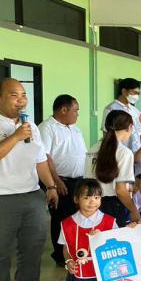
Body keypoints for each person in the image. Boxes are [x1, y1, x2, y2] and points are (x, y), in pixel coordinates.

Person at [0, 78, 59, 281]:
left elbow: (40, 160)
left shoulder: (31, 127)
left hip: (31, 195)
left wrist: (50, 186)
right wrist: (15, 137)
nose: (21, 101)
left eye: (24, 95)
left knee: (33, 246)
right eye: (14, 95)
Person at [39, 94, 87, 267]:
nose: (77, 114)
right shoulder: (47, 127)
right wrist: (56, 181)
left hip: (78, 181)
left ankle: (75, 251)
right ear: (64, 110)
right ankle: (60, 256)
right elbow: (45, 156)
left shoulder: (75, 128)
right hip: (60, 182)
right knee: (61, 219)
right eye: (75, 110)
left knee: (76, 218)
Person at [89, 111, 139, 227]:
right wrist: (134, 211)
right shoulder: (124, 153)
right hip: (115, 205)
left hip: (92, 203)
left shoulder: (93, 148)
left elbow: (88, 181)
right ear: (129, 127)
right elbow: (120, 190)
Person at [101, 78, 141, 152]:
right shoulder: (111, 108)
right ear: (124, 91)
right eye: (134, 92)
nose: (137, 96)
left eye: (138, 94)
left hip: (136, 152)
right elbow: (106, 132)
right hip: (120, 152)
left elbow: (139, 131)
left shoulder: (135, 110)